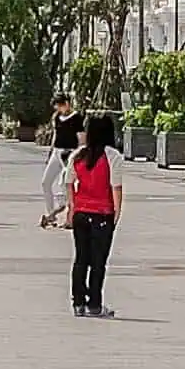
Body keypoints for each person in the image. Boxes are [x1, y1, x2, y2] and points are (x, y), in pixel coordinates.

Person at [66, 113, 122, 318]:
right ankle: (95, 304)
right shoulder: (113, 156)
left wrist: (72, 207)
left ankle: (78, 303)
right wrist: (116, 213)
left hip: (81, 213)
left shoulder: (78, 155)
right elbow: (116, 187)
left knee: (81, 258)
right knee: (98, 262)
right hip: (102, 213)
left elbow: (68, 182)